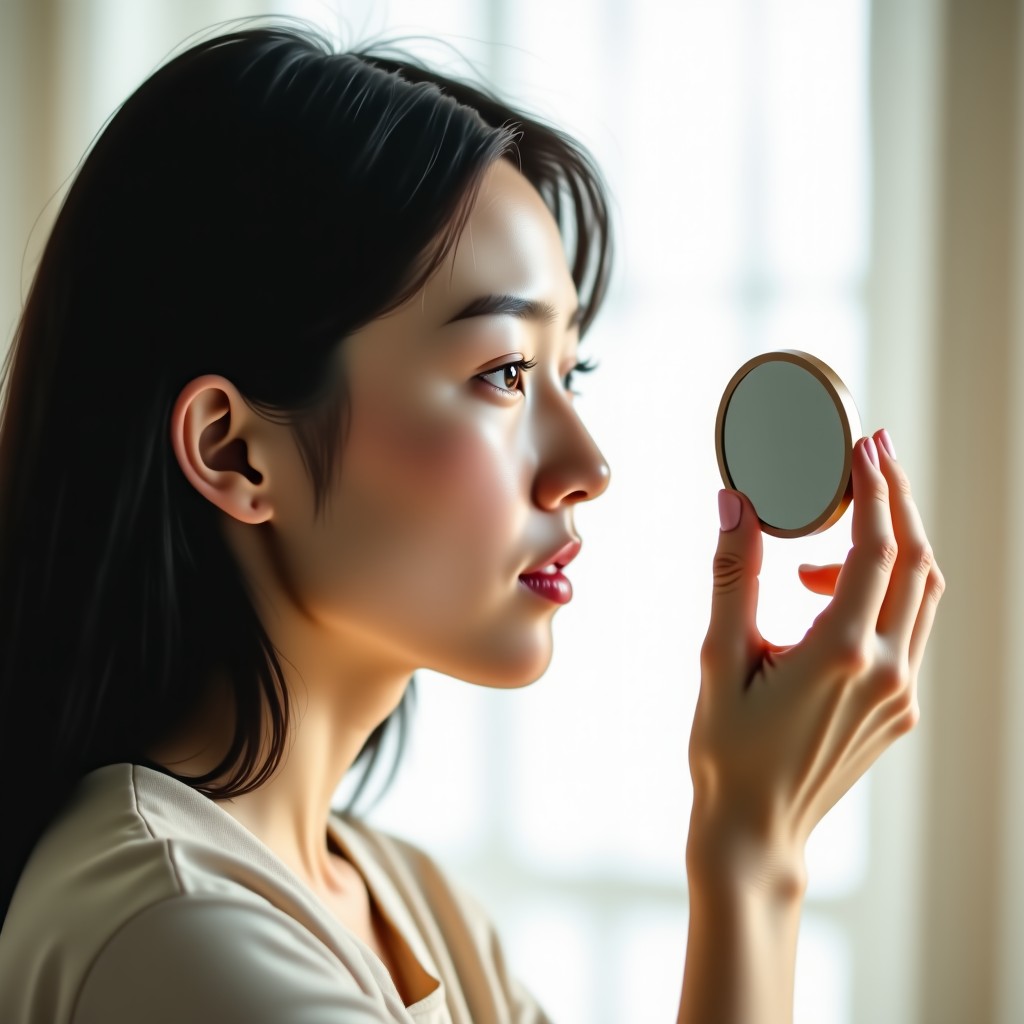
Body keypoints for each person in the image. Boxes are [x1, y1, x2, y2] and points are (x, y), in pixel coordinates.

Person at [0, 22, 944, 1024]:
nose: (587, 466)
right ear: (235, 451)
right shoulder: (174, 939)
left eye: (568, 372)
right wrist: (753, 854)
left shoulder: (412, 903)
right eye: (502, 372)